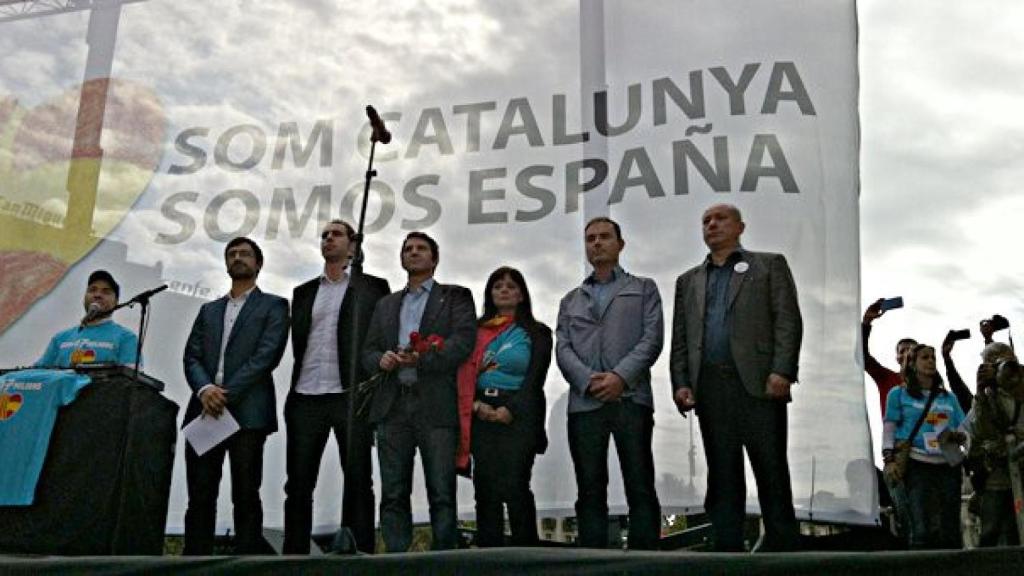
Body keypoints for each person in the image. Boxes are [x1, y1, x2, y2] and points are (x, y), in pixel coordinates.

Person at [670, 203, 802, 552]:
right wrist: (681, 383)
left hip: (760, 386)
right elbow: (681, 338)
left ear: (740, 226)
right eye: (706, 221)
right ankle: (727, 548)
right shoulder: (688, 281)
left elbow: (787, 320)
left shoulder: (769, 265)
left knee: (771, 468)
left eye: (720, 218)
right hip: (711, 388)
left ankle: (784, 548)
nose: (712, 225)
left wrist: (782, 370)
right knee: (722, 472)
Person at [362, 231, 476, 551]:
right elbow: (368, 350)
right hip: (392, 405)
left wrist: (422, 359)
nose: (413, 253)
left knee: (442, 492)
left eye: (421, 248)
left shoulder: (455, 296)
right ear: (401, 258)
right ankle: (396, 562)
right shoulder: (386, 304)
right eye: (408, 249)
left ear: (434, 258)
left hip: (435, 405)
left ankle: (444, 562)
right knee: (393, 493)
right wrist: (381, 359)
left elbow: (463, 342)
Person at [555, 216, 664, 550]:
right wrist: (588, 381)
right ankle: (592, 559)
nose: (597, 243)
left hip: (631, 399)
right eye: (590, 239)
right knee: (589, 488)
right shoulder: (570, 300)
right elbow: (563, 348)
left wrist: (620, 377)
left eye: (604, 237)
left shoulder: (643, 288)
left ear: (620, 244)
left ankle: (646, 559)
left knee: (640, 483)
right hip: (585, 404)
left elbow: (652, 339)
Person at [283, 220, 390, 554]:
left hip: (351, 397)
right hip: (305, 396)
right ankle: (294, 557)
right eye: (324, 235)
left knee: (357, 480)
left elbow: (379, 338)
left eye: (336, 234)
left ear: (353, 245)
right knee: (298, 484)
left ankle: (360, 555)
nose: (328, 238)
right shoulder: (303, 292)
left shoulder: (371, 288)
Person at [181, 237, 289, 555]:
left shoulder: (274, 306)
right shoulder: (208, 310)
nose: (238, 257)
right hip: (204, 410)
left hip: (248, 413)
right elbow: (191, 356)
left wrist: (224, 394)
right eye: (232, 254)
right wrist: (205, 390)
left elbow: (266, 356)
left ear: (259, 263)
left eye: (245, 254)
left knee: (246, 492)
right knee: (200, 494)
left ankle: (247, 561)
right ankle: (194, 560)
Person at [457, 266, 551, 547]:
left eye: (511, 286)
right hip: (480, 413)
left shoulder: (537, 332)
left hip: (519, 415)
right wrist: (476, 405)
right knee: (486, 490)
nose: (504, 291)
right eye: (498, 286)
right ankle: (490, 557)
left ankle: (527, 556)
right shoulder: (475, 332)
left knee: (516, 486)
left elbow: (535, 378)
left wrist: (511, 409)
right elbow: (461, 375)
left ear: (521, 294)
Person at [882, 344, 966, 550]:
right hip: (917, 463)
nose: (930, 361)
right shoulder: (898, 394)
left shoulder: (948, 398)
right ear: (912, 364)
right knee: (921, 525)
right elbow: (889, 430)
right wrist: (889, 460)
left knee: (949, 525)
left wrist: (959, 436)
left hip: (947, 464)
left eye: (933, 358)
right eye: (925, 357)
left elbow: (963, 428)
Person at [965, 342, 1023, 547]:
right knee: (991, 529)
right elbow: (981, 432)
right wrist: (981, 393)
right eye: (992, 361)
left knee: (1018, 528)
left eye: (1005, 358)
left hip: (1020, 466)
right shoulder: (986, 395)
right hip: (996, 471)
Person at [35, 270, 138, 367]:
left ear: (116, 301)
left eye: (106, 292)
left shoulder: (126, 338)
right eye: (92, 290)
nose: (97, 295)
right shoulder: (60, 339)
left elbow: (131, 377)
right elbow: (37, 373)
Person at [861, 299, 916, 417]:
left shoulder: (931, 387)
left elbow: (940, 419)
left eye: (911, 350)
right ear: (897, 358)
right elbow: (862, 356)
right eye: (902, 351)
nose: (907, 354)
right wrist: (866, 322)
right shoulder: (886, 378)